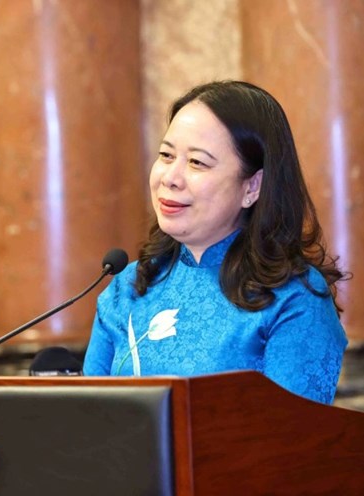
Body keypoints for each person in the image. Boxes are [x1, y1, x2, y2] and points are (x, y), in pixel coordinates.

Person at [83, 81, 348, 405]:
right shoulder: (127, 288)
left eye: (197, 163)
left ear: (252, 187)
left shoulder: (293, 295)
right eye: (166, 155)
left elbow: (292, 442)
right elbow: (89, 427)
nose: (170, 177)